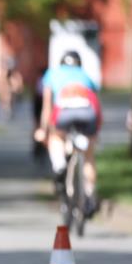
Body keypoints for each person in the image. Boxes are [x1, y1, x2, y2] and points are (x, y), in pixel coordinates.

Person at [35, 50, 101, 216]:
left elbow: (47, 106)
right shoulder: (86, 76)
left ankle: (59, 166)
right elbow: (96, 104)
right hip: (88, 112)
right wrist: (96, 133)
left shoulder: (52, 74)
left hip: (64, 111)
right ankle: (89, 195)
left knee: (56, 137)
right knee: (88, 156)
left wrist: (44, 129)